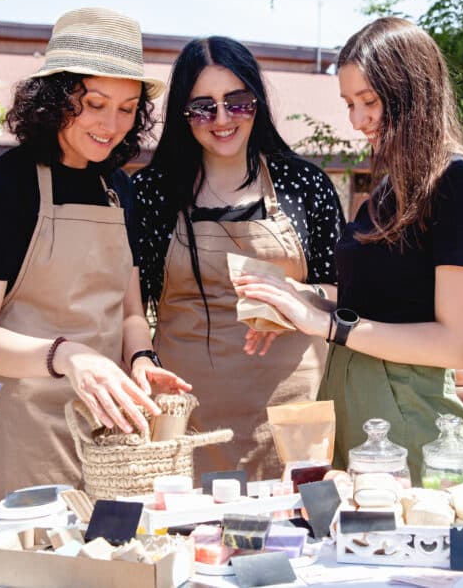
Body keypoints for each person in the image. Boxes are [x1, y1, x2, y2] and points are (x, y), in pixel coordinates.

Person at [234, 17, 463, 483]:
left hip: (408, 414)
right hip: (350, 401)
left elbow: (455, 345)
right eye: (349, 104)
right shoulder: (389, 188)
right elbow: (372, 301)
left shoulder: (457, 183)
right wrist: (291, 298)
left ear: (412, 93)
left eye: (369, 102)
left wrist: (328, 325)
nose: (357, 121)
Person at [0, 8, 191, 506]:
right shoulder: (0, 190)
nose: (111, 125)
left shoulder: (120, 188)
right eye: (95, 103)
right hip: (19, 430)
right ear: (56, 99)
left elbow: (127, 311)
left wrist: (141, 358)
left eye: (127, 109)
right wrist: (68, 355)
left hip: (109, 434)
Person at [132, 36, 345, 481]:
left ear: (258, 102)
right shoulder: (152, 192)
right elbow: (130, 305)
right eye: (203, 107)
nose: (223, 119)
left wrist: (290, 295)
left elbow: (342, 290)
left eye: (238, 102)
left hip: (290, 416)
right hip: (185, 418)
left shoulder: (304, 184)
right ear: (183, 115)